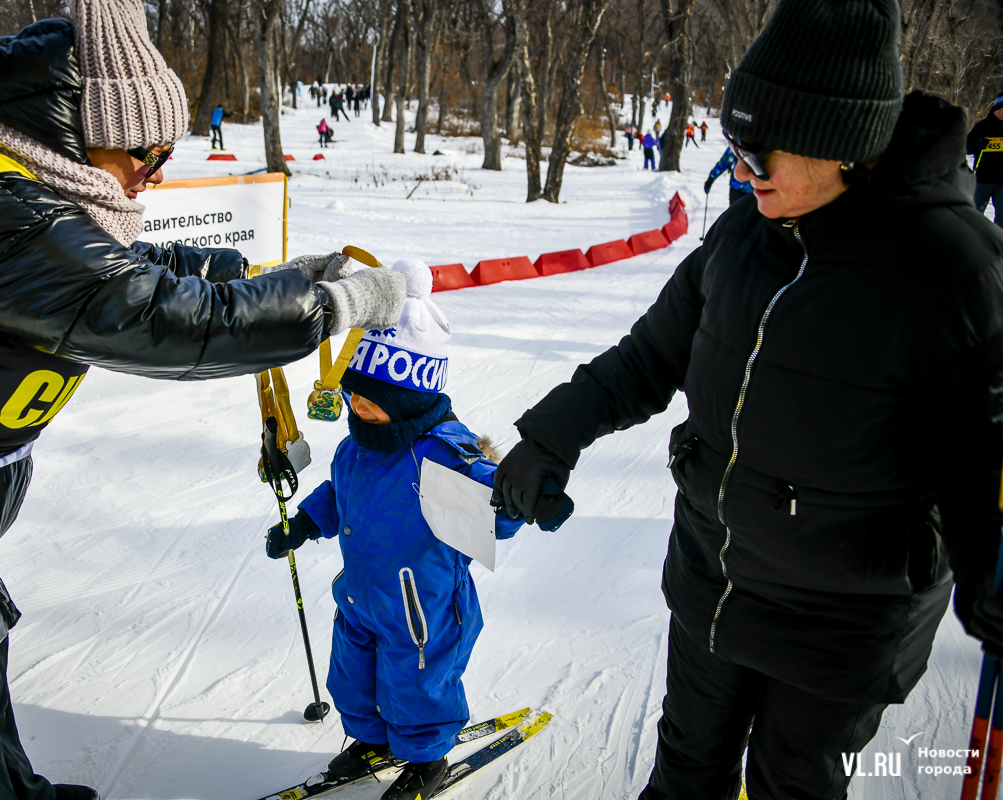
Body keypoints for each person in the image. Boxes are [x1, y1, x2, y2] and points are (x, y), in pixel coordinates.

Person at [0, 1, 408, 798]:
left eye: (168, 152)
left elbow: (126, 266)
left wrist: (273, 279)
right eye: (146, 151)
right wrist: (331, 307)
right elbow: (153, 317)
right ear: (78, 130)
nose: (156, 172)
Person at [492, 0, 1003, 797]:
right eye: (734, 148)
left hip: (841, 627)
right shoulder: (743, 236)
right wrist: (551, 437)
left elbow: (984, 461)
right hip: (714, 585)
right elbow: (647, 357)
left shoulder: (957, 271)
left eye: (759, 154)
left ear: (842, 146)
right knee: (684, 773)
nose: (740, 171)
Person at [266, 259, 524, 800]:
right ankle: (369, 739)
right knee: (352, 679)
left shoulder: (441, 455)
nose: (357, 405)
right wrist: (306, 522)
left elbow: (493, 507)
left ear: (410, 397)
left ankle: (427, 757)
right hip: (360, 599)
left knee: (418, 686)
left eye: (373, 398)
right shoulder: (356, 446)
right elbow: (340, 492)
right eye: (354, 394)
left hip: (422, 610)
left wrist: (520, 494)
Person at [968, 93, 1003, 230]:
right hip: (983, 179)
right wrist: (979, 144)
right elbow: (966, 147)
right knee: (976, 212)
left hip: (1002, 181)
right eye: (1002, 109)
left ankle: (998, 239)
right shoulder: (982, 127)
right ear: (995, 110)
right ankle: (974, 236)